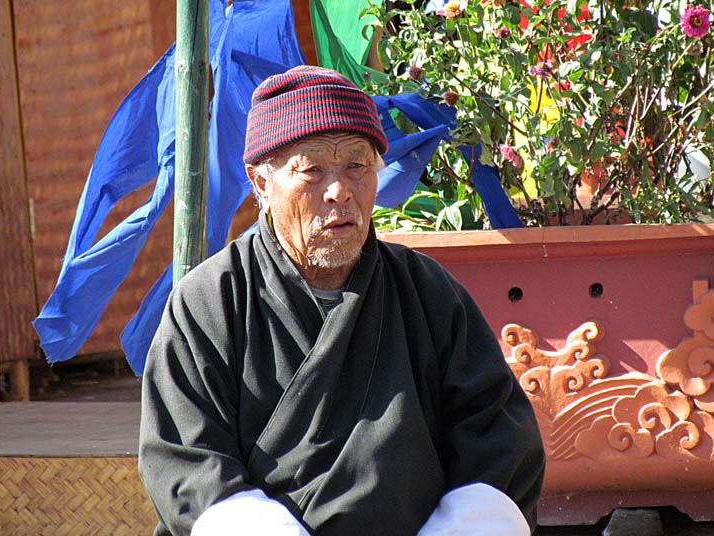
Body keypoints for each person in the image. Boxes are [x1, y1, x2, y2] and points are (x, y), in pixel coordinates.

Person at [138, 65, 545, 536]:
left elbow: (498, 442)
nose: (340, 192)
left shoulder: (428, 293)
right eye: (311, 170)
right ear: (260, 184)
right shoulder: (209, 304)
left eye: (357, 166)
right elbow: (188, 463)